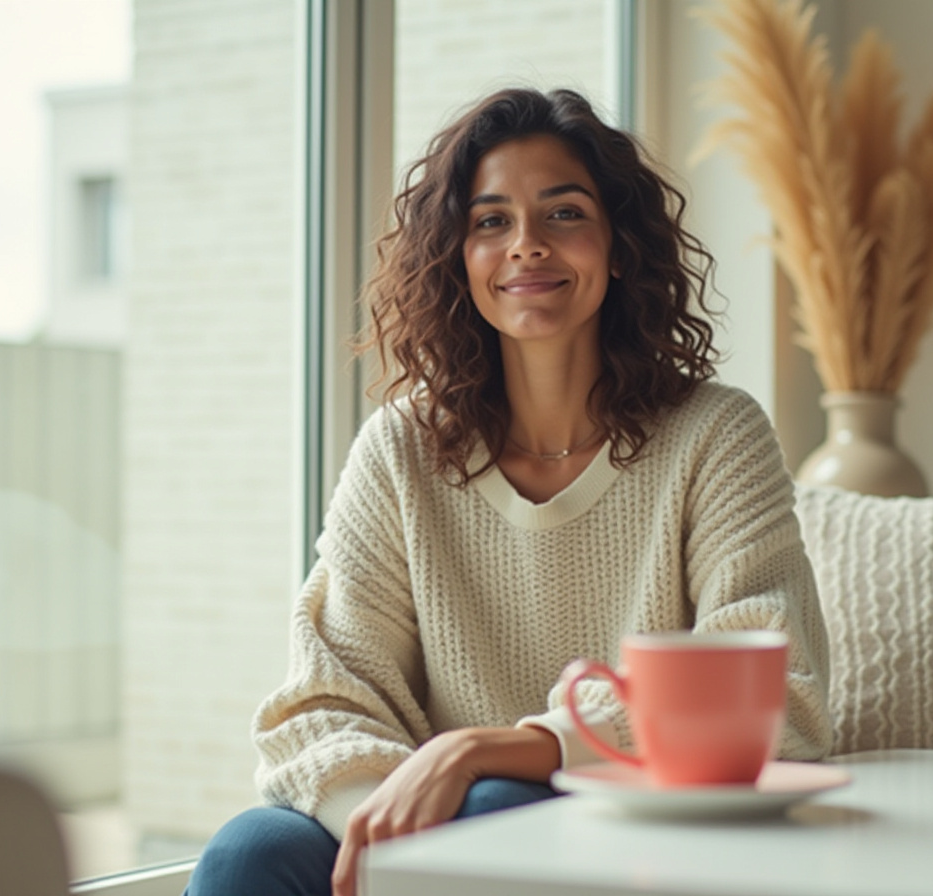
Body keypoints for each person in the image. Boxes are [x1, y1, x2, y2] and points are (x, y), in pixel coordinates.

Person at [186, 87, 832, 896]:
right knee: (250, 853)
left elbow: (783, 700)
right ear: (459, 257)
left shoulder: (716, 435)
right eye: (491, 221)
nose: (525, 245)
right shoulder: (399, 449)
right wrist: (400, 834)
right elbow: (321, 703)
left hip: (629, 833)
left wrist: (495, 749)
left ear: (620, 246)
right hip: (427, 815)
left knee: (499, 802)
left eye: (563, 214)